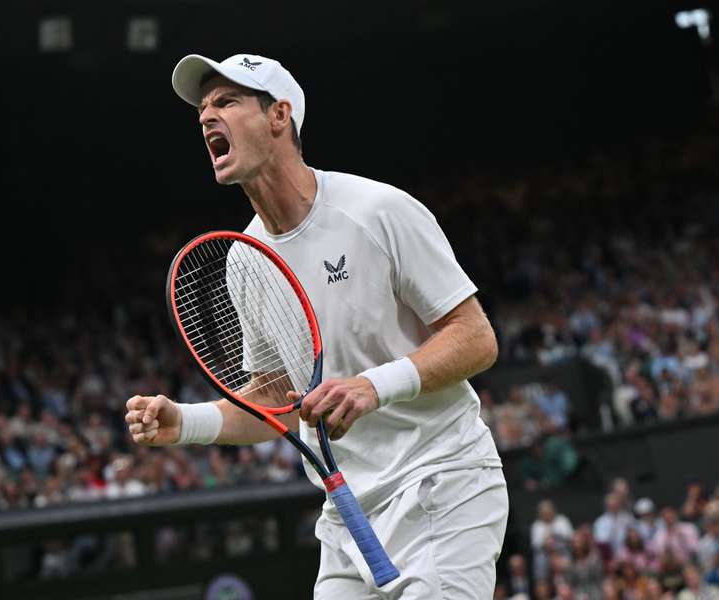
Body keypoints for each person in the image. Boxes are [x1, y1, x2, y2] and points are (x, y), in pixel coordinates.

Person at [125, 53, 507, 598]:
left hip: (442, 484)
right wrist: (182, 423)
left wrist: (373, 387)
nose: (207, 116)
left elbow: (476, 337)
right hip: (347, 516)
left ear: (279, 116)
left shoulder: (378, 211)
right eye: (203, 107)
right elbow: (277, 396)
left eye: (228, 101)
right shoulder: (245, 258)